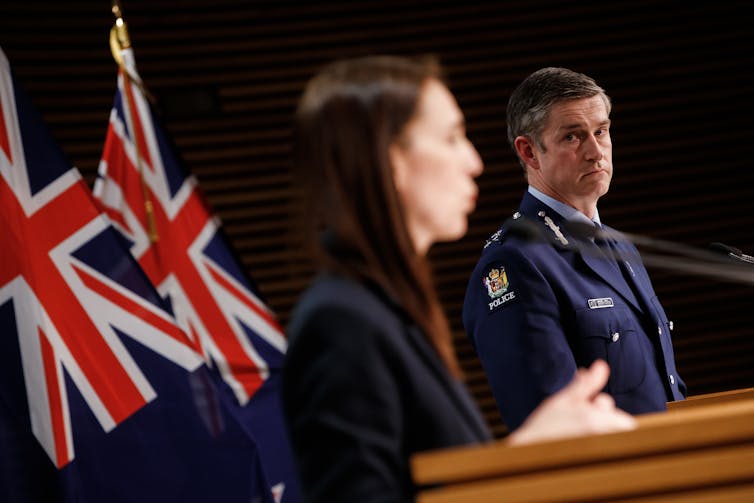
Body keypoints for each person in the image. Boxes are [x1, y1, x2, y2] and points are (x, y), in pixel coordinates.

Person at [282, 56, 636, 503]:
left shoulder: (387, 308)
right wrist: (527, 455)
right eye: (452, 138)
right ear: (393, 161)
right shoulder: (340, 322)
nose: (474, 162)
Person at [462, 67, 687, 433]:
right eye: (573, 137)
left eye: (601, 131)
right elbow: (547, 424)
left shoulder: (619, 246)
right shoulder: (516, 263)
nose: (596, 152)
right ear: (530, 152)